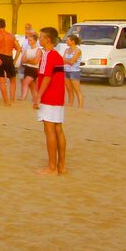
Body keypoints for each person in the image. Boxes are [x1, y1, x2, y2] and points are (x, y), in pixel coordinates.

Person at [32, 26, 68, 175]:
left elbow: (47, 76)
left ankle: (52, 167)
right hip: (58, 96)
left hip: (49, 96)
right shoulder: (58, 56)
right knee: (58, 129)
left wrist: (38, 95)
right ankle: (61, 166)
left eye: (40, 37)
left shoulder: (48, 55)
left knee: (50, 131)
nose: (39, 39)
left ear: (47, 39)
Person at [0, 19, 17, 105]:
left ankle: (6, 101)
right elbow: (19, 48)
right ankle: (12, 99)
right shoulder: (11, 35)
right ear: (5, 25)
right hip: (9, 57)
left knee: (1, 80)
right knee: (12, 80)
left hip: (0, 56)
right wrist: (15, 60)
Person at [62, 33, 85, 108]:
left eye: (68, 40)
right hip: (66, 70)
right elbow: (65, 60)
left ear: (73, 41)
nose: (66, 41)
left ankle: (80, 107)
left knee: (77, 90)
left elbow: (72, 61)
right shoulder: (67, 50)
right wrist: (68, 61)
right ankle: (70, 105)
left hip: (74, 71)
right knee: (69, 90)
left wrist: (66, 60)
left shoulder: (78, 51)